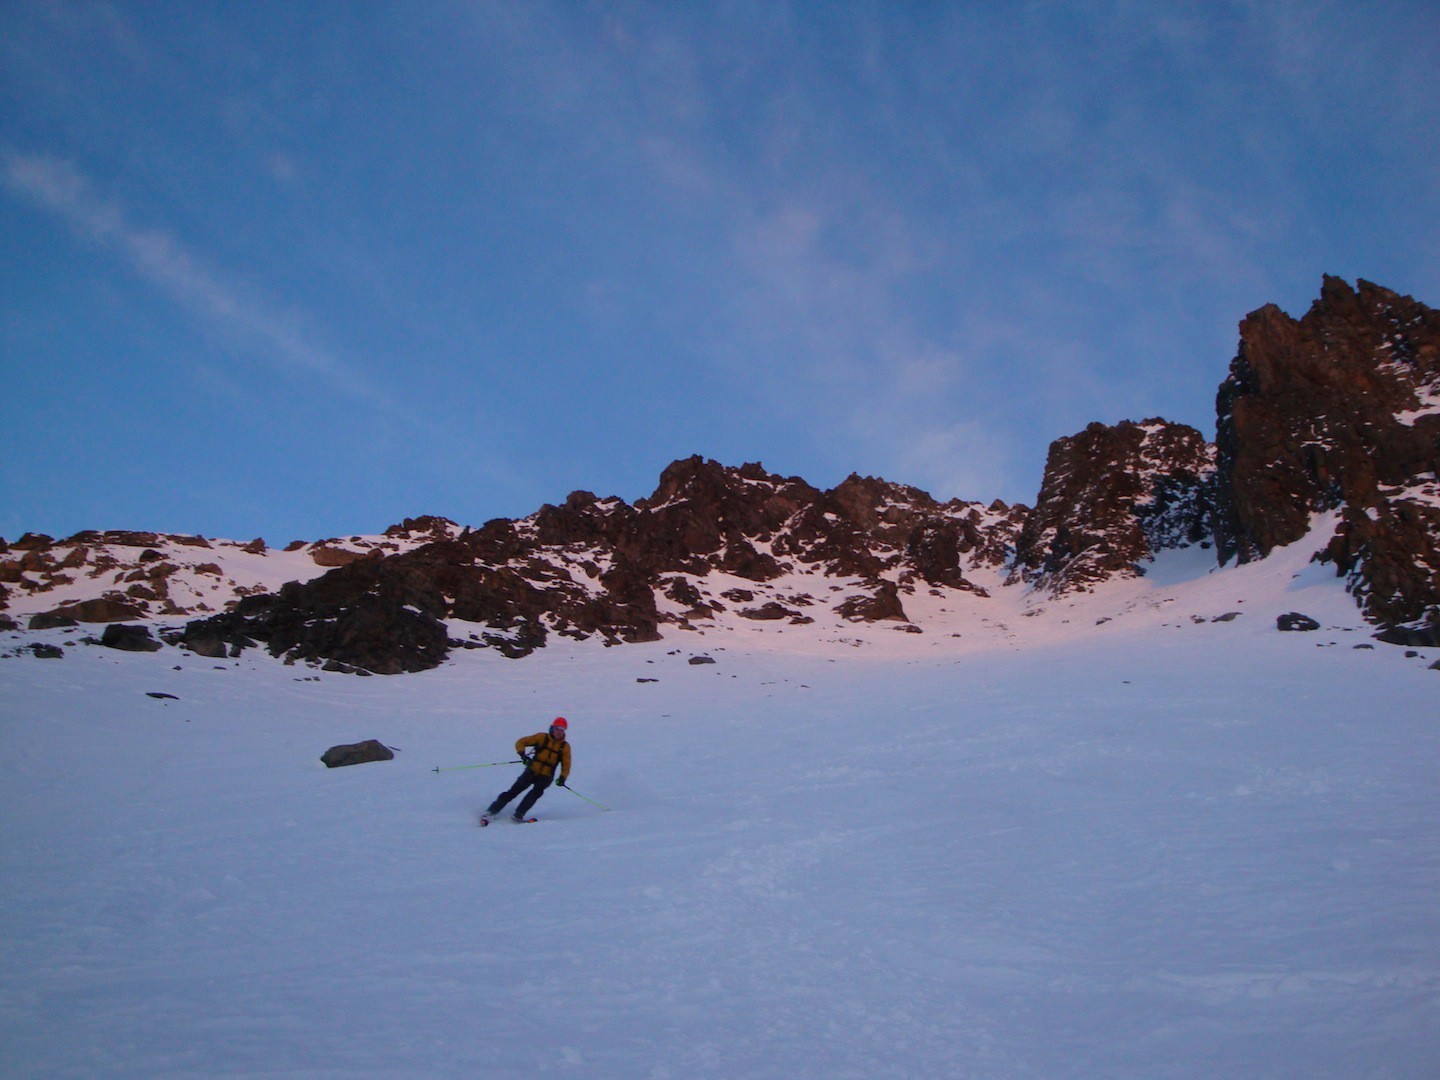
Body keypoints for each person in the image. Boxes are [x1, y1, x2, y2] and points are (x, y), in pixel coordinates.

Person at [485, 717, 571, 822]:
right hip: (531, 770)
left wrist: (562, 777)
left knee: (536, 792)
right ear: (553, 728)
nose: (559, 732)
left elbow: (566, 764)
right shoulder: (541, 737)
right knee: (514, 791)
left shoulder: (565, 747)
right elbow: (521, 742)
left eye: (562, 730)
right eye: (557, 729)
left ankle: (519, 814)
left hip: (546, 776)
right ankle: (491, 811)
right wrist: (523, 755)